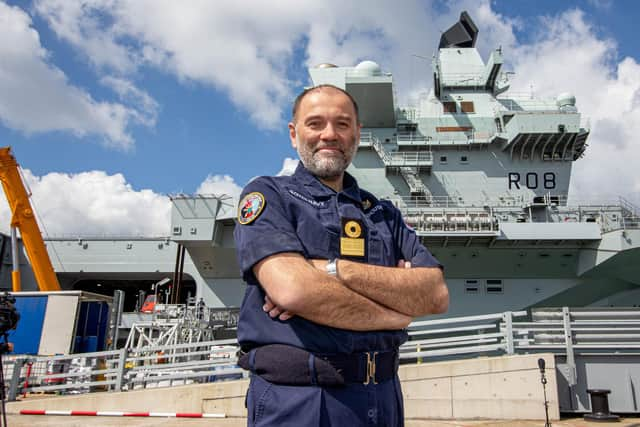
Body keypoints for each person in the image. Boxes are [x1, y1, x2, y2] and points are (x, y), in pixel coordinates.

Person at [234, 84, 448, 427]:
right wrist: (396, 313)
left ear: (358, 134)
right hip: (299, 401)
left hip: (383, 396)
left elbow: (435, 294)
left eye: (343, 124)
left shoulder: (383, 214)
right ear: (294, 133)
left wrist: (332, 270)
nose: (329, 135)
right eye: (315, 123)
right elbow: (294, 291)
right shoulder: (270, 195)